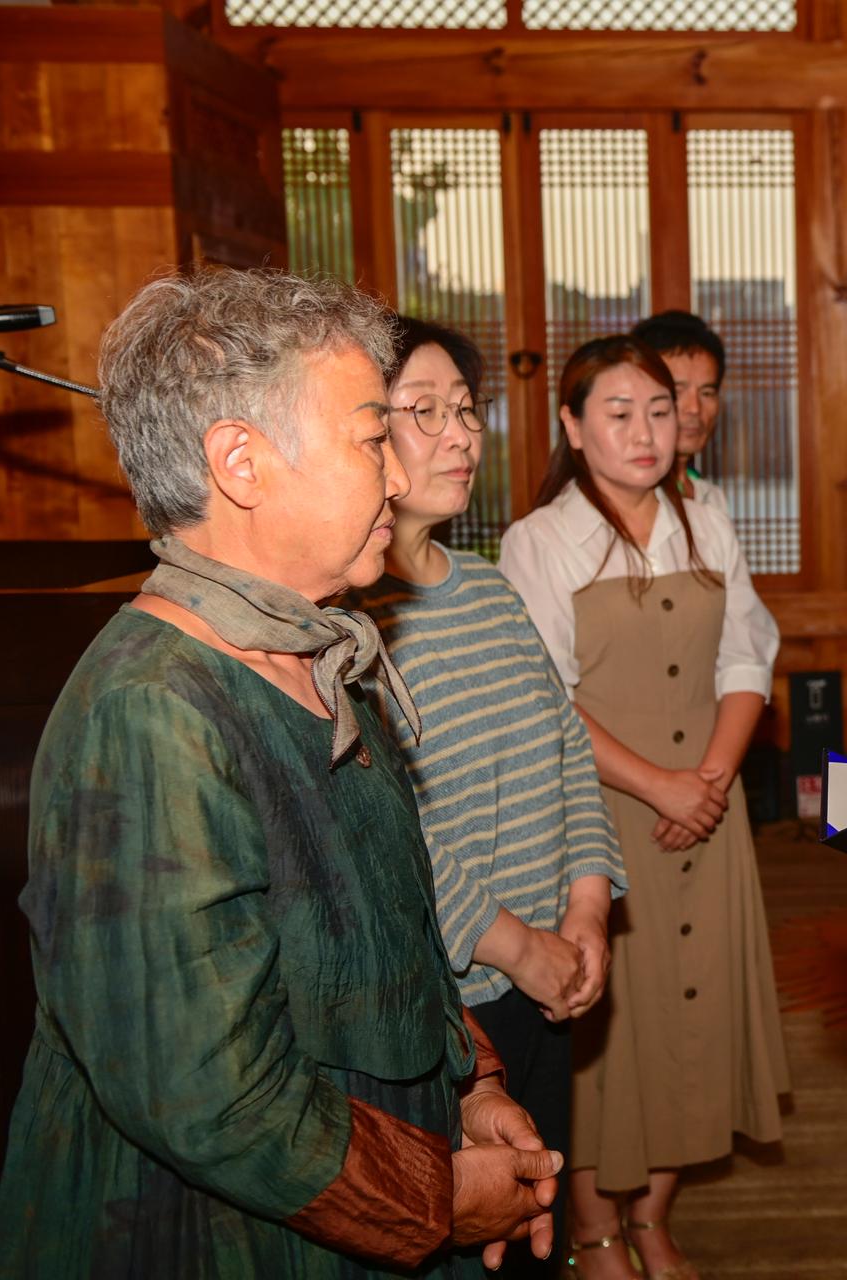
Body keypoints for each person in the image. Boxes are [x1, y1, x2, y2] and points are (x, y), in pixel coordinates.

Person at [0, 268, 562, 1277]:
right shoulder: (153, 711)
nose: (396, 476)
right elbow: (213, 1092)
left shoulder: (321, 652)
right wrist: (438, 1195)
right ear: (242, 462)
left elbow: (395, 939)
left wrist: (474, 1086)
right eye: (369, 436)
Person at [498, 335, 789, 1280]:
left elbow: (748, 657)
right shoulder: (538, 541)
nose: (645, 431)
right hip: (601, 818)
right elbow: (547, 700)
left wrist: (707, 780)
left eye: (660, 411)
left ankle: (654, 1221)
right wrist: (661, 785)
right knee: (607, 1027)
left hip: (710, 808)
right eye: (617, 413)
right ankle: (592, 1231)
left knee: (692, 1015)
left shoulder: (706, 517)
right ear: (572, 427)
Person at [347, 317, 631, 1276]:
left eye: (465, 411)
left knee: (538, 1227)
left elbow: (565, 750)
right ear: (358, 433)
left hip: (554, 975)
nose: (462, 435)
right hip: (454, 1007)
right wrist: (520, 948)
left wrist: (588, 911)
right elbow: (396, 832)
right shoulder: (346, 621)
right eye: (422, 413)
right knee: (469, 1247)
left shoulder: (488, 587)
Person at [630, 310, 728, 512]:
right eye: (677, 391)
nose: (694, 408)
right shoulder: (627, 499)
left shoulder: (711, 497)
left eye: (707, 392)